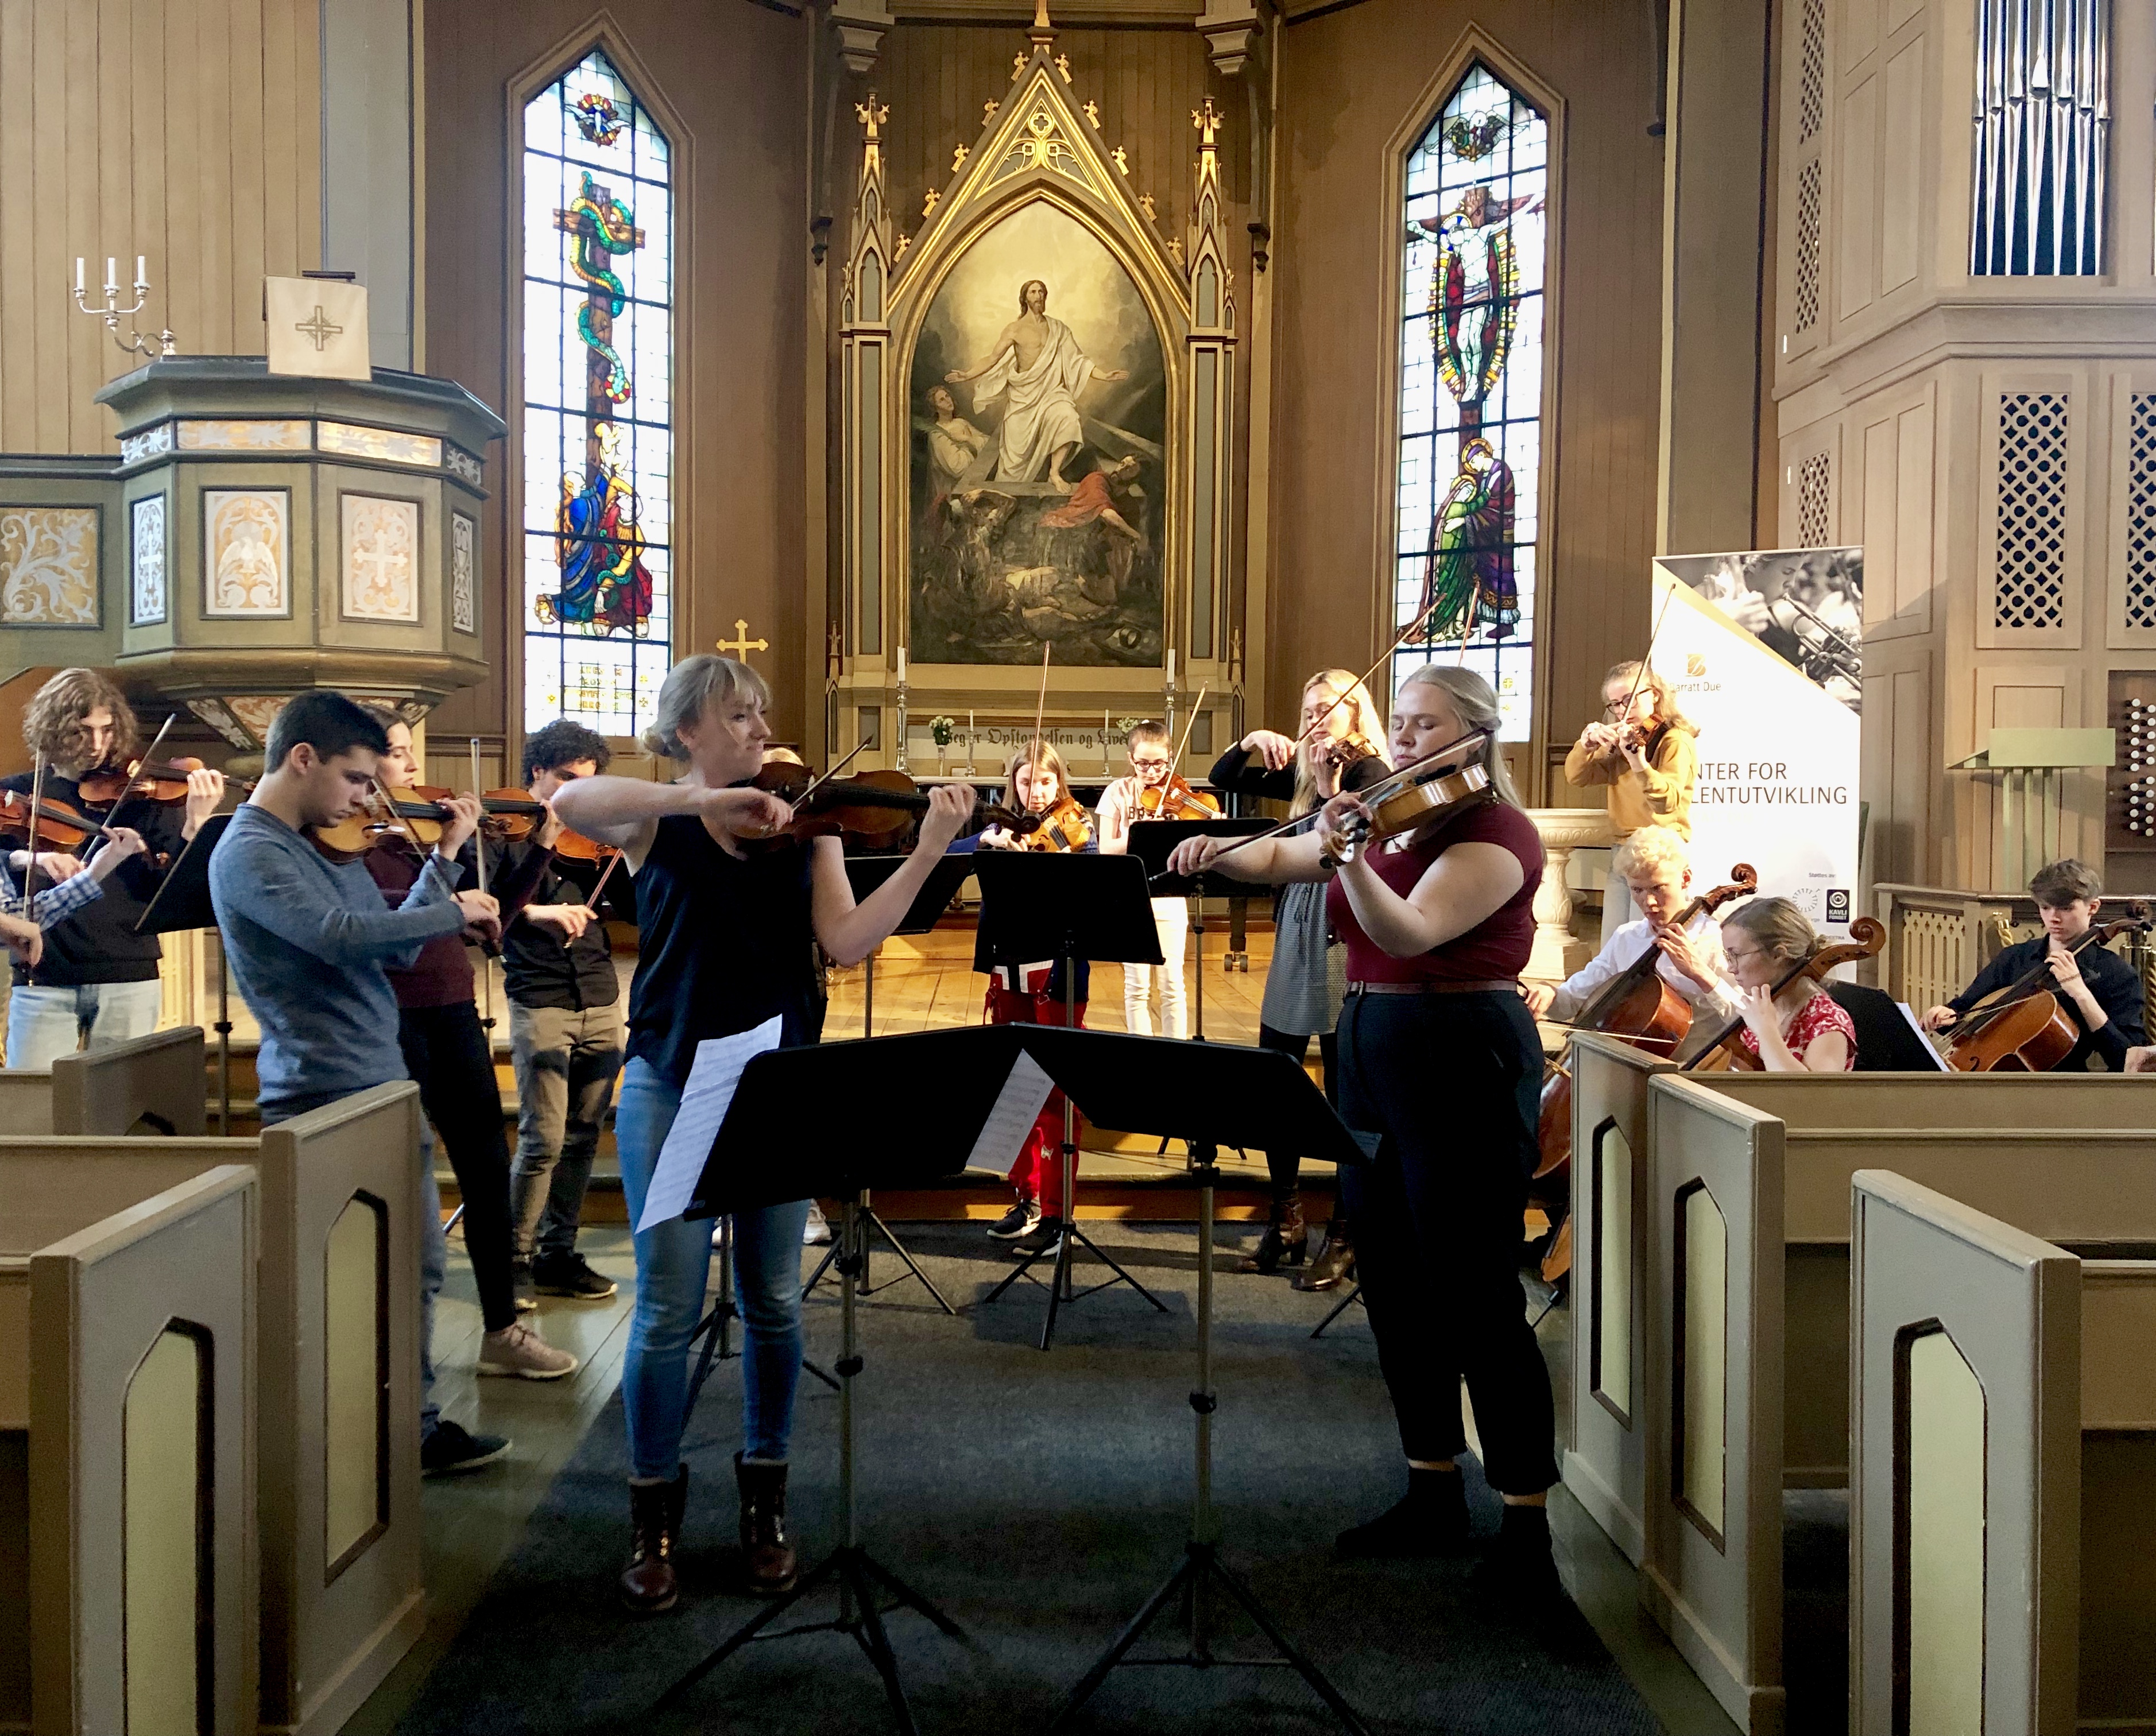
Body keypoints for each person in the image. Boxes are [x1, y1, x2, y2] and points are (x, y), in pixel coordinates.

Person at [549, 654, 974, 1614]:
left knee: (776, 1301)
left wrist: (926, 850)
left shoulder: (808, 829)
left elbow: (847, 942)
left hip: (779, 1087)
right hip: (672, 1083)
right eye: (737, 715)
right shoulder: (655, 822)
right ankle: (652, 1513)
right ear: (686, 731)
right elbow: (572, 802)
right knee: (667, 1308)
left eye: (761, 713)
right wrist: (700, 801)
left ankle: (764, 1502)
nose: (759, 729)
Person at [1168, 664, 1564, 1605]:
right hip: (1373, 1047)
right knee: (1390, 1279)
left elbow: (1411, 931)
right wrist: (1214, 850)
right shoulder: (1393, 818)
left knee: (1473, 1291)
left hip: (1459, 1051)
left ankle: (1526, 1521)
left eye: (1428, 724)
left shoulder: (1496, 831)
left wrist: (1347, 855)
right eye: (1405, 722)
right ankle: (1432, 1488)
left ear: (1475, 735)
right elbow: (1282, 860)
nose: (1408, 738)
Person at [208, 692, 513, 1477]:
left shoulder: (320, 848)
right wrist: (450, 910)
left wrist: (446, 860)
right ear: (302, 758)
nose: (363, 798)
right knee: (350, 1283)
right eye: (353, 778)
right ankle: (351, 1447)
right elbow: (337, 937)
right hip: (321, 1092)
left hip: (378, 1082)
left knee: (413, 1267)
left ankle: (410, 1429)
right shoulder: (250, 850)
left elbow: (394, 949)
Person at [363, 713, 577, 1380]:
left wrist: (541, 845)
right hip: (392, 1019)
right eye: (396, 754)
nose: (412, 767)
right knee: (401, 1181)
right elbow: (392, 931)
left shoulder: (418, 838)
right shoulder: (353, 845)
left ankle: (501, 1330)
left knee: (487, 1170)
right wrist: (449, 850)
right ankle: (396, 1361)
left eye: (410, 752)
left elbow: (495, 922)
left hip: (453, 1010)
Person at [1206, 670, 1391, 1282]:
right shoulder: (1305, 769)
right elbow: (1223, 778)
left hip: (1341, 929)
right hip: (1295, 927)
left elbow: (1352, 838)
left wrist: (1332, 784)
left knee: (1344, 1093)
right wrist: (1253, 740)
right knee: (1275, 1079)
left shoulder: (1368, 769)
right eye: (1307, 710)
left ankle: (1346, 1231)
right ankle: (1285, 1219)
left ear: (1355, 715)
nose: (1315, 719)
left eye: (1326, 709)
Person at [2, 668, 225, 1068]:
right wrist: (33, 857)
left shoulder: (144, 796)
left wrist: (195, 823)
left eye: (106, 731)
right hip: (44, 976)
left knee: (121, 1098)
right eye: (82, 731)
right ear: (52, 728)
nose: (97, 745)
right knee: (36, 1097)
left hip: (128, 973)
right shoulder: (17, 795)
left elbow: (169, 889)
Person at [498, 720, 626, 1307]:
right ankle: (513, 1260)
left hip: (599, 996)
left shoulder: (595, 840)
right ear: (537, 773)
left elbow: (636, 909)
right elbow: (490, 910)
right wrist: (537, 913)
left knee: (582, 1138)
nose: (575, 793)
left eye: (586, 783)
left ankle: (558, 1254)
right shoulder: (504, 834)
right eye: (566, 779)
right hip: (540, 995)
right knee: (543, 1138)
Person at [974, 744, 1096, 1258]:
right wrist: (986, 842)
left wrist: (1055, 864)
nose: (1037, 792)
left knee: (1055, 1095)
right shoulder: (1000, 830)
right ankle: (1025, 1198)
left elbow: (1093, 889)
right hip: (1009, 970)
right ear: (1013, 785)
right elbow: (955, 851)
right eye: (1027, 782)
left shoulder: (1077, 831)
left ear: (1059, 783)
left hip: (1056, 972)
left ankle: (1057, 1212)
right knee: (1012, 1087)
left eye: (1046, 782)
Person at [1523, 825, 1744, 1052]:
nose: (1648, 902)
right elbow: (1572, 999)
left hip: (1693, 1067)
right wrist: (1549, 994)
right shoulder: (1627, 937)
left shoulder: (1717, 940)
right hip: (1626, 1062)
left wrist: (1702, 975)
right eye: (1637, 890)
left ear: (1685, 879)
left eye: (1658, 888)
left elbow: (1747, 1020)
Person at [1919, 858, 2146, 1069]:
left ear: (2093, 907)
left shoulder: (2116, 973)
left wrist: (2081, 994)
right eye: (2045, 907)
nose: (2054, 918)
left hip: (2064, 1086)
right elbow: (1963, 1010)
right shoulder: (2015, 958)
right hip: (1992, 1075)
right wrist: (1943, 1015)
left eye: (2066, 908)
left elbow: (2125, 1059)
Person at [944, 278, 1129, 490]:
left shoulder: (1058, 329)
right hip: (1023, 397)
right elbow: (993, 358)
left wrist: (1104, 376)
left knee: (1068, 417)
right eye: (1033, 292)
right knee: (1014, 466)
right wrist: (967, 374)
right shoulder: (1015, 329)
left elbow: (1077, 360)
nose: (1039, 296)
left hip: (1052, 392)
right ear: (1025, 298)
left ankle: (1054, 473)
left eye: (1042, 292)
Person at [1563, 660, 1698, 944]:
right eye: (1615, 704)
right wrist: (1585, 746)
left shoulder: (1674, 739)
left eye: (1630, 699)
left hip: (1659, 854)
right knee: (1613, 944)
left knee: (1647, 944)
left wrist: (1639, 763)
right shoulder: (1623, 741)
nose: (1622, 710)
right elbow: (1578, 777)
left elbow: (1667, 802)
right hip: (1622, 850)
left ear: (1655, 695)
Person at [1096, 719, 1210, 1040]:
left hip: (1170, 897)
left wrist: (1213, 825)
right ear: (1131, 759)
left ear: (1170, 757)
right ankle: (1141, 1051)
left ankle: (1176, 1051)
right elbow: (1106, 848)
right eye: (1143, 763)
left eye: (1159, 763)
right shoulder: (1117, 792)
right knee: (1136, 987)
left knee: (1172, 984)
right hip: (1131, 897)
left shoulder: (1180, 795)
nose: (1151, 771)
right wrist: (1143, 834)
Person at [1719, 897, 1857, 1072]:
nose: (1731, 968)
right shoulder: (1765, 1008)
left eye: (1737, 955)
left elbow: (1812, 1090)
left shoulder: (1827, 1023)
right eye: (1728, 956)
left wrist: (1766, 1031)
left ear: (1778, 955)